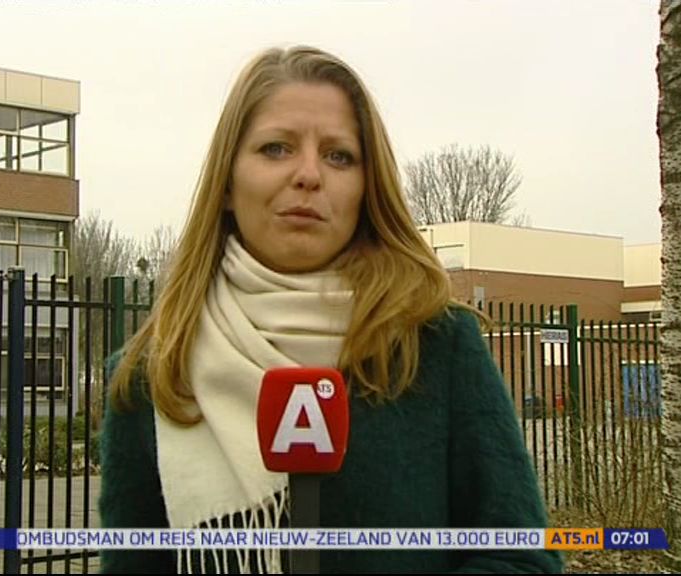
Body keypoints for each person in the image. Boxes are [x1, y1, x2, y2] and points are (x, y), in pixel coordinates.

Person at [99, 45, 562, 574]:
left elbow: (521, 556)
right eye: (276, 148)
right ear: (227, 182)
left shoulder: (435, 343)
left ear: (368, 186)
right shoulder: (152, 374)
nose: (308, 175)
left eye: (339, 156)